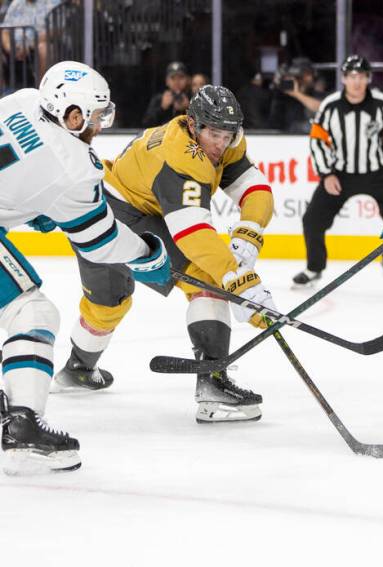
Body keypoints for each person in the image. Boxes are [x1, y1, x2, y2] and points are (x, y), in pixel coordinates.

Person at [53, 85, 277, 425]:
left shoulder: (225, 141)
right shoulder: (179, 156)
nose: (221, 143)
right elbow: (192, 234)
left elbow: (255, 188)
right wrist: (239, 281)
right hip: (112, 214)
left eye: (228, 135)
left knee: (119, 300)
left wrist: (249, 233)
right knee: (113, 302)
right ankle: (79, 369)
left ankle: (209, 382)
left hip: (135, 206)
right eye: (214, 134)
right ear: (193, 124)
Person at [0, 61, 170, 474]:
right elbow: (101, 241)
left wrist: (29, 205)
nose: (98, 124)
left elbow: (20, 169)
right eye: (94, 115)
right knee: (33, 312)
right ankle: (22, 425)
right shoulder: (74, 166)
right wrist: (149, 252)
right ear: (71, 114)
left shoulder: (21, 101)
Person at [296, 55, 383, 287]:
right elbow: (317, 140)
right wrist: (326, 173)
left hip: (379, 172)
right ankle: (314, 268)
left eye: (361, 76)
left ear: (368, 78)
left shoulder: (382, 103)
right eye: (351, 76)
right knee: (312, 220)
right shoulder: (330, 105)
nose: (356, 82)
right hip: (340, 174)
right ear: (343, 79)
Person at [142, 61, 191, 128]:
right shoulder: (159, 99)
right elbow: (146, 124)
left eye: (181, 77)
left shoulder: (192, 98)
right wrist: (162, 107)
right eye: (173, 78)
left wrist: (188, 108)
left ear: (187, 80)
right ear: (167, 81)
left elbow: (202, 128)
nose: (177, 81)